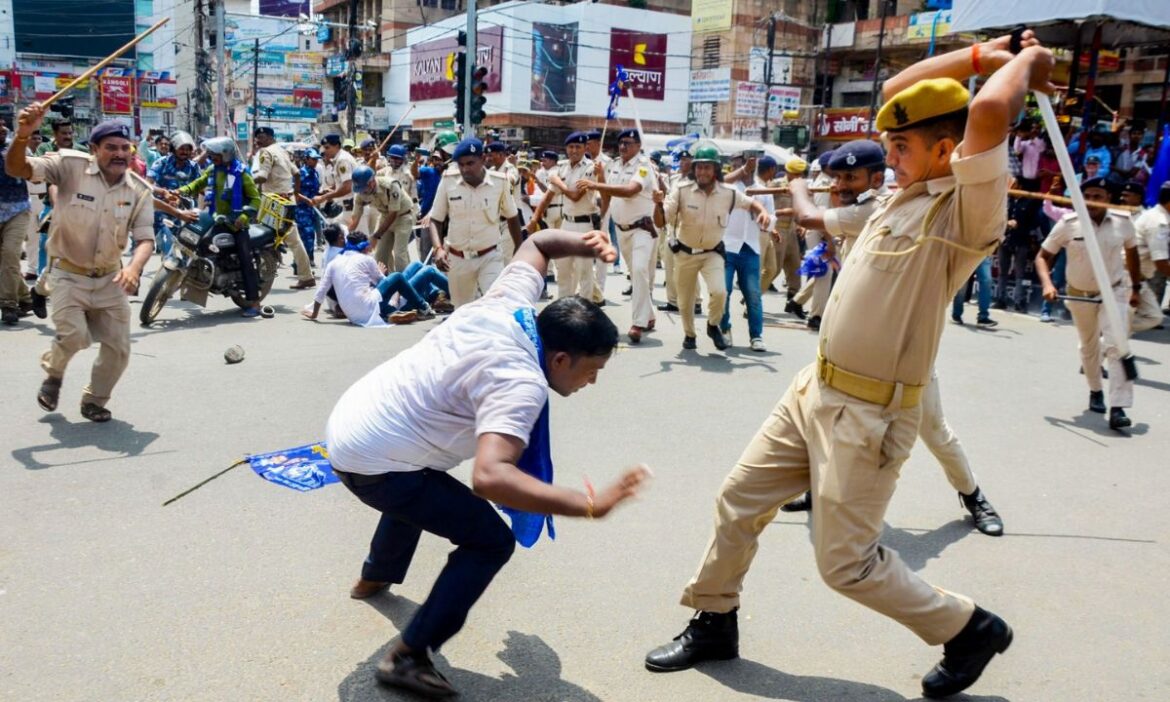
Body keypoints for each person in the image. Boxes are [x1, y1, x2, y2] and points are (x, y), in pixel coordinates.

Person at [644, 33, 1053, 699]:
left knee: (847, 566)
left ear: (947, 151)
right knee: (739, 500)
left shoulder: (965, 207)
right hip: (815, 389)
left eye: (902, 147)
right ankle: (714, 617)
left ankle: (968, 627)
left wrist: (1027, 66)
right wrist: (987, 53)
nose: (886, 158)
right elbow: (898, 93)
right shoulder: (902, 192)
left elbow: (986, 117)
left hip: (871, 414)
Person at [324, 228, 648, 698]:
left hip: (354, 420)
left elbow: (537, 244)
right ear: (560, 358)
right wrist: (586, 504)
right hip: (375, 460)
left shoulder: (508, 305)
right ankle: (408, 655)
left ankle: (376, 574)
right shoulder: (520, 382)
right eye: (591, 371)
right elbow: (491, 477)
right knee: (489, 540)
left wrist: (583, 242)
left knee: (422, 479)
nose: (592, 383)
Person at [7, 111, 156, 422]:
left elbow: (145, 240)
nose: (119, 153)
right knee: (75, 335)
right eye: (111, 147)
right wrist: (22, 136)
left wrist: (133, 269)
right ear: (94, 149)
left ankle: (94, 399)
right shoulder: (68, 166)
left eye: (124, 147)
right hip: (67, 272)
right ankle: (54, 375)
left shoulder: (140, 191)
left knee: (119, 349)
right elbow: (17, 167)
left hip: (108, 278)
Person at [1035, 177, 1141, 430]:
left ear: (1109, 200)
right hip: (1078, 294)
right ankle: (1095, 390)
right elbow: (1042, 256)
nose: (1091, 201)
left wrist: (1135, 288)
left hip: (1113, 292)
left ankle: (1119, 407)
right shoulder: (1068, 223)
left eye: (1098, 196)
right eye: (1087, 196)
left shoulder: (1123, 222)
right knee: (1089, 347)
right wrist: (1048, 284)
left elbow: (1134, 257)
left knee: (1117, 344)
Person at [664, 141, 770, 351]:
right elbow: (662, 217)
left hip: (712, 253)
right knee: (684, 303)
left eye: (707, 167)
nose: (702, 171)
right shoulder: (682, 190)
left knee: (720, 292)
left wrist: (762, 212)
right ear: (694, 169)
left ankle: (713, 326)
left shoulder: (728, 193)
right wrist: (658, 204)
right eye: (699, 167)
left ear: (716, 170)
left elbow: (751, 203)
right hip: (685, 253)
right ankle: (690, 334)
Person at [785, 141, 889, 330]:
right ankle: (802, 304)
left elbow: (807, 217)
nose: (840, 185)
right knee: (824, 273)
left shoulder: (872, 208)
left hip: (864, 317)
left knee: (823, 274)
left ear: (876, 180)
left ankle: (811, 311)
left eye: (850, 177)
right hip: (861, 308)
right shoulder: (871, 200)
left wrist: (799, 190)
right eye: (838, 177)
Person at [577, 128, 659, 343]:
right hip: (622, 230)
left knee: (640, 270)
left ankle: (638, 323)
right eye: (621, 142)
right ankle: (649, 315)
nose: (623, 146)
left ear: (639, 146)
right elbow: (607, 194)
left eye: (628, 143)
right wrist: (601, 178)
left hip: (643, 228)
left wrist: (596, 183)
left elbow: (630, 190)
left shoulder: (644, 167)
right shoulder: (612, 165)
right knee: (636, 272)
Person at [175, 137, 264, 317]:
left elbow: (256, 199)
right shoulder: (213, 170)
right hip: (216, 217)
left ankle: (255, 303)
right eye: (210, 154)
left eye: (215, 154)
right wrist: (181, 191)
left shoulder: (241, 173)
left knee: (246, 260)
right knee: (197, 240)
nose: (211, 157)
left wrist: (245, 216)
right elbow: (198, 183)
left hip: (237, 224)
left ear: (226, 154)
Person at [428, 137, 521, 308]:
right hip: (457, 259)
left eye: (470, 163)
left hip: (490, 255)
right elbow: (435, 219)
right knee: (462, 311)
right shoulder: (448, 180)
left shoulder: (500, 182)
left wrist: (519, 251)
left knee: (495, 305)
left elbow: (512, 217)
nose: (465, 169)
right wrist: (438, 249)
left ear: (483, 159)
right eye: (461, 164)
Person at [303, 230, 435, 327]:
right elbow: (386, 282)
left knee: (415, 266)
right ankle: (423, 307)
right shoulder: (366, 259)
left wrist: (314, 313)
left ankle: (393, 311)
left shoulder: (334, 261)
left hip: (353, 315)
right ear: (364, 247)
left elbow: (322, 290)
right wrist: (382, 274)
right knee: (404, 275)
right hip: (370, 307)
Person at [719, 154, 775, 352]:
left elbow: (771, 217)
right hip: (727, 247)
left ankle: (756, 336)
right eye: (739, 164)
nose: (744, 167)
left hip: (751, 247)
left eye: (749, 163)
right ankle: (724, 329)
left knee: (753, 294)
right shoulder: (726, 188)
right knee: (723, 292)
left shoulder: (764, 190)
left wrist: (765, 219)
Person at [535, 132, 597, 299]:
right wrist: (535, 219)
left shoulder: (590, 168)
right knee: (563, 269)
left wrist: (558, 182)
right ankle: (564, 307)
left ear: (585, 148)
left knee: (584, 271)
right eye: (570, 147)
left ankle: (585, 310)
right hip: (566, 223)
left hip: (585, 225)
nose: (574, 150)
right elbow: (548, 196)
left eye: (578, 146)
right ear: (566, 149)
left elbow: (575, 196)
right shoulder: (562, 167)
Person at [252, 126, 315, 289]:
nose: (258, 140)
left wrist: (245, 179)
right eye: (257, 137)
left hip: (274, 203)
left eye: (262, 137)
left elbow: (262, 176)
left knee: (259, 236)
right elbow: (297, 174)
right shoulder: (282, 151)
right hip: (285, 200)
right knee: (289, 239)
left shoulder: (266, 153)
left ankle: (303, 275)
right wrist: (294, 193)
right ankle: (304, 274)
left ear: (270, 137)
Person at [761, 158, 807, 318]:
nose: (798, 177)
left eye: (800, 174)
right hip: (778, 228)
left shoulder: (802, 186)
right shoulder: (775, 185)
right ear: (788, 172)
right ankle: (753, 297)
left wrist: (801, 224)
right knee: (775, 267)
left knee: (795, 267)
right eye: (795, 174)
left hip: (792, 229)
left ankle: (793, 301)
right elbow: (765, 207)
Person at [349, 165, 414, 273]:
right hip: (385, 217)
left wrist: (376, 236)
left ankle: (406, 284)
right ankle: (386, 283)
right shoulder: (360, 192)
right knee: (380, 255)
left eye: (363, 189)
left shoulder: (391, 186)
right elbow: (355, 217)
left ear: (371, 182)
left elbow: (393, 213)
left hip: (402, 217)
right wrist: (348, 235)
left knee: (399, 254)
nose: (362, 193)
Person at [0, 120, 34, 325]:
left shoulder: (16, 148)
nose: (2, 129)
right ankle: (26, 298)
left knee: (11, 254)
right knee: (5, 263)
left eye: (3, 125)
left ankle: (8, 305)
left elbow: (34, 169)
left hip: (18, 210)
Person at [146, 130, 200, 256]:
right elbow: (147, 184)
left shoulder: (193, 167)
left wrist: (184, 197)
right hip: (162, 213)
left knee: (191, 252)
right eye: (182, 148)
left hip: (187, 212)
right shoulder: (161, 163)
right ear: (173, 148)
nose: (185, 152)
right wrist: (164, 193)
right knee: (169, 251)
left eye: (188, 149)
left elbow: (200, 188)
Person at [657, 149, 694, 313]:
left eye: (687, 159)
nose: (684, 162)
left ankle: (697, 301)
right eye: (682, 159)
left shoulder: (697, 181)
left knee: (688, 266)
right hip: (672, 227)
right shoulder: (674, 179)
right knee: (669, 263)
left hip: (687, 227)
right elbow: (669, 197)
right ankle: (672, 300)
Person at [1132, 182, 1170, 330]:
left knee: (1154, 317)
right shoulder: (1158, 222)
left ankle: (1112, 330)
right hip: (1126, 276)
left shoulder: (1161, 216)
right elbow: (1161, 262)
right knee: (1123, 319)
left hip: (1139, 278)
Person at [314, 133, 359, 228]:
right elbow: (342, 184)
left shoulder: (342, 160)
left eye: (327, 148)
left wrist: (324, 197)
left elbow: (347, 187)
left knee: (357, 240)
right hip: (346, 208)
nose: (325, 151)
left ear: (337, 146)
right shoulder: (339, 159)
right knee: (334, 233)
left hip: (353, 208)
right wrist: (330, 191)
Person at [293, 148, 322, 265]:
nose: (315, 162)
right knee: (305, 237)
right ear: (306, 159)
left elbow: (315, 191)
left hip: (312, 210)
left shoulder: (315, 173)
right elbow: (294, 192)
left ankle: (305, 262)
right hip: (301, 211)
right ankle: (301, 264)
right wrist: (307, 200)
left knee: (311, 237)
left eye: (317, 159)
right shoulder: (300, 174)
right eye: (313, 159)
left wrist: (324, 193)